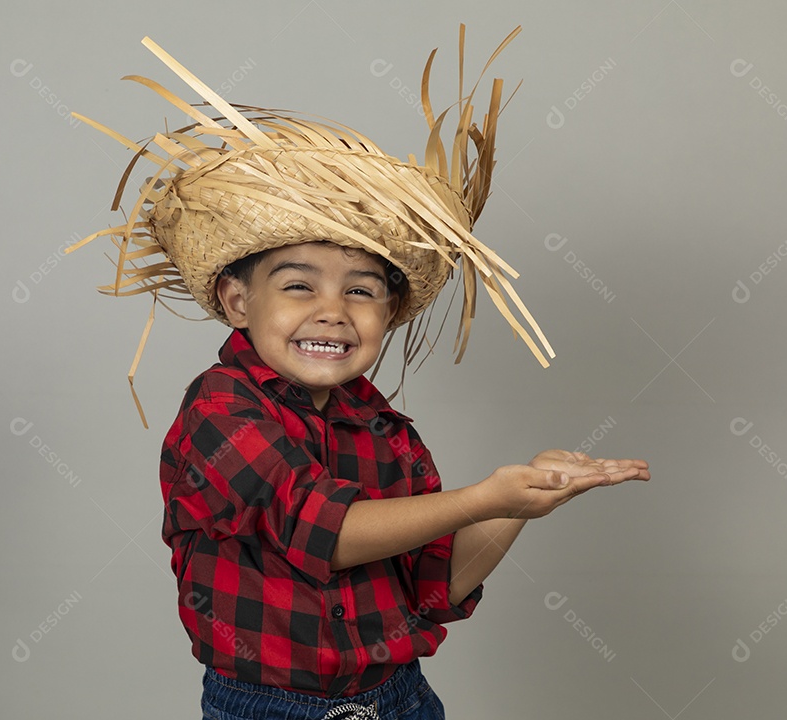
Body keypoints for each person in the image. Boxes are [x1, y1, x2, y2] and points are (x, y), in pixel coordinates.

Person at [67, 25, 649, 720]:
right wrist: (483, 496)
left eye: (362, 291)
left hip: (398, 698)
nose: (333, 312)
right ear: (236, 300)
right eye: (298, 285)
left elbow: (437, 585)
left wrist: (517, 505)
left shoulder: (383, 429)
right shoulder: (221, 410)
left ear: (391, 311)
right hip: (271, 707)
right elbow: (326, 530)